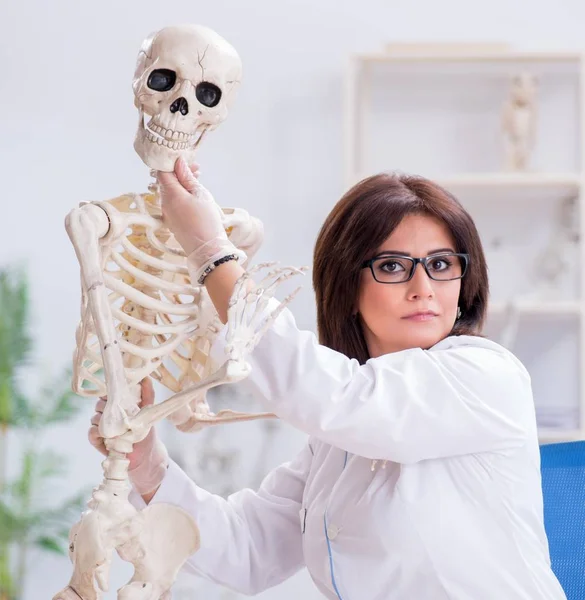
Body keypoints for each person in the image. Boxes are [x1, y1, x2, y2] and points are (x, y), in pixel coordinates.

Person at [89, 158, 566, 599]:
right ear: (346, 286)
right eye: (393, 266)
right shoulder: (334, 446)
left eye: (441, 265)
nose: (424, 288)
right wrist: (147, 465)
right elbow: (247, 550)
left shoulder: (486, 376)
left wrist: (212, 253)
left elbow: (332, 396)